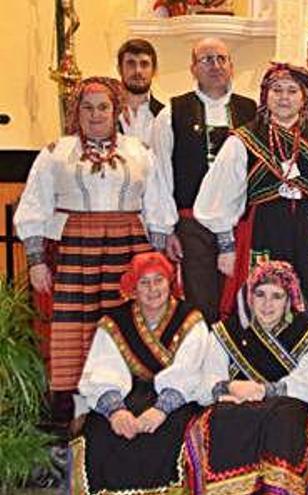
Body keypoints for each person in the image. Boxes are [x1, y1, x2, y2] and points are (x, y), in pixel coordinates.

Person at [15, 77, 177, 419]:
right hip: (75, 248)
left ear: (115, 109)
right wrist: (35, 259)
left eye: (103, 106)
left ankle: (128, 396)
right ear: (77, 112)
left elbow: (158, 206)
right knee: (77, 324)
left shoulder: (138, 151)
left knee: (128, 319)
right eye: (87, 107)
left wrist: (157, 259)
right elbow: (33, 206)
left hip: (129, 246)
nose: (96, 114)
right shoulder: (56, 152)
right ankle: (77, 407)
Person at [185, 260, 308, 494]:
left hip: (286, 412)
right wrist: (229, 387)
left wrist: (266, 391)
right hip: (237, 409)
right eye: (260, 294)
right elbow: (204, 381)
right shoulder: (226, 332)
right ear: (250, 297)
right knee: (222, 418)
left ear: (289, 300)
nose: (267, 304)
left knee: (287, 417)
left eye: (277, 296)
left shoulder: (307, 333)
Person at [194, 63, 308, 322]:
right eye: (277, 90)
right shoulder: (243, 139)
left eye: (292, 91)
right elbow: (219, 197)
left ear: (304, 97)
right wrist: (227, 246)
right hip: (262, 230)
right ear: (265, 95)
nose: (284, 97)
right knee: (263, 298)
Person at [69, 253, 210, 494]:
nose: (153, 289)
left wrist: (160, 411)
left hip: (176, 400)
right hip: (127, 395)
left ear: (170, 282)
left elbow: (190, 372)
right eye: (144, 282)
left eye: (159, 280)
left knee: (170, 434)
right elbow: (103, 370)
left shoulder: (191, 319)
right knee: (100, 430)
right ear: (133, 287)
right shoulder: (114, 322)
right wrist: (116, 412)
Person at [152, 37, 257, 323]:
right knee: (200, 302)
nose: (215, 65)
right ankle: (202, 363)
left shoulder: (252, 111)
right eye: (206, 59)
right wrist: (168, 229)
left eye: (221, 59)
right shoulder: (172, 112)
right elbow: (160, 174)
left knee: (241, 299)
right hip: (192, 225)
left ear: (232, 67)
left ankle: (237, 364)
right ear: (193, 68)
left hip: (240, 223)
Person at [115, 38, 163, 146]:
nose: (138, 71)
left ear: (154, 70)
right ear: (119, 69)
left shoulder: (166, 115)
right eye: (131, 64)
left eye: (144, 64)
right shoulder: (107, 114)